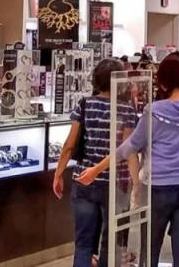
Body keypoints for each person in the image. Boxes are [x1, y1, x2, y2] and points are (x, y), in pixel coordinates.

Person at [77, 57, 179, 267]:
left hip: (159, 188)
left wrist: (96, 168)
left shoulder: (153, 111)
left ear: (162, 82)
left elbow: (129, 147)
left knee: (150, 252)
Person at [52, 59, 138, 267]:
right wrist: (137, 183)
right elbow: (127, 151)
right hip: (116, 183)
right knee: (111, 244)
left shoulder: (85, 104)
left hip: (84, 178)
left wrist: (58, 174)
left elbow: (70, 144)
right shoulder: (127, 109)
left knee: (83, 244)